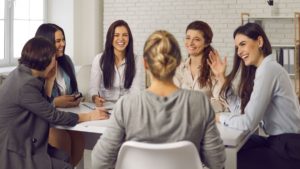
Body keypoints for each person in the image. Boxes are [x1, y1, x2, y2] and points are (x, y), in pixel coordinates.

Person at [91, 30, 226, 169]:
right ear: (178, 61)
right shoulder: (199, 102)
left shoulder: (126, 105)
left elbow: (99, 162)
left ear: (145, 64)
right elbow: (217, 162)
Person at [0, 37, 109, 169]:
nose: (55, 61)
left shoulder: (23, 75)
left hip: (23, 142)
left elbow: (43, 105)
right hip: (16, 151)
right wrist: (89, 116)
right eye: (53, 58)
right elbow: (52, 115)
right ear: (44, 60)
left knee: (65, 158)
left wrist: (50, 80)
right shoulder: (26, 85)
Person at [209, 22, 300, 169]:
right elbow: (242, 112)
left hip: (289, 148)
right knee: (238, 147)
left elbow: (248, 122)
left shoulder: (268, 70)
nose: (239, 51)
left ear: (259, 41)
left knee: (231, 159)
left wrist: (218, 117)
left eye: (243, 44)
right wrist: (221, 77)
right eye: (237, 47)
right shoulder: (264, 70)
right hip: (279, 142)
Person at [35, 23, 84, 167]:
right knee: (62, 138)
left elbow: (72, 90)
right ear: (47, 42)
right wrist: (56, 102)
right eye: (58, 41)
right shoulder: (38, 68)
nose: (62, 44)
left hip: (64, 117)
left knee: (78, 138)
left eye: (63, 40)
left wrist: (75, 98)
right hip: (48, 122)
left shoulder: (66, 61)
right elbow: (38, 103)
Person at [174, 20, 227, 113]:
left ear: (206, 43)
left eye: (196, 39)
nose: (190, 43)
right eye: (188, 38)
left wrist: (221, 77)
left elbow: (222, 105)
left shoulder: (214, 69)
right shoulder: (179, 68)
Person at [89, 20, 145, 107]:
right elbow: (93, 88)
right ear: (110, 38)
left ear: (129, 38)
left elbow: (137, 91)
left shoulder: (137, 60)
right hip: (105, 106)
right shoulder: (99, 59)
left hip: (128, 106)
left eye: (125, 35)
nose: (121, 39)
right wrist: (95, 97)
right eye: (116, 35)